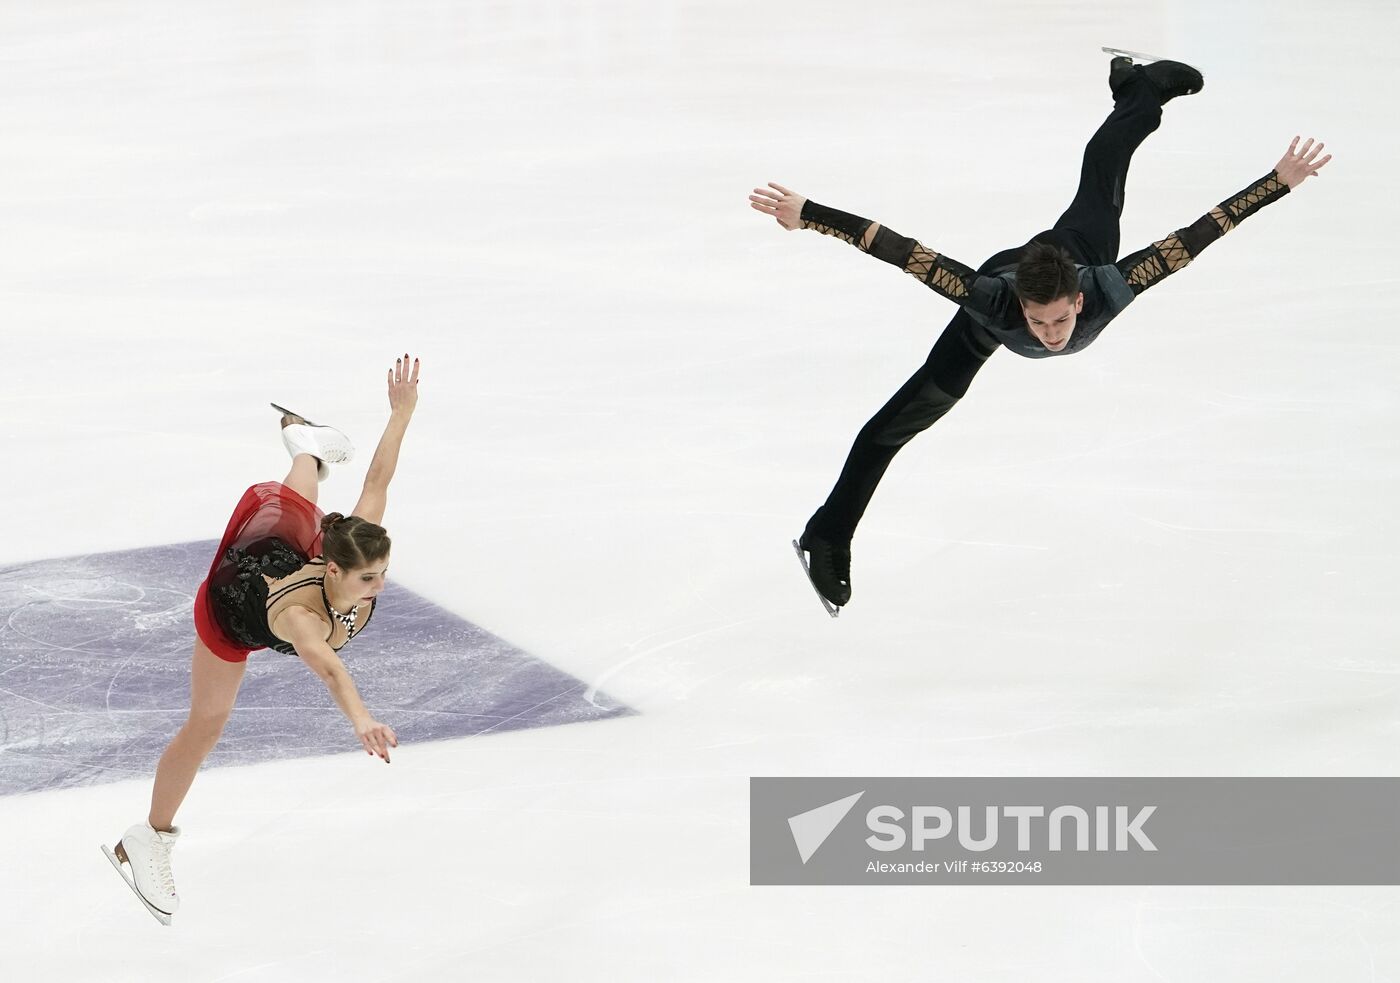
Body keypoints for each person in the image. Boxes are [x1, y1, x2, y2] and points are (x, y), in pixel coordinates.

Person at [749, 56, 1331, 613]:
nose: (1052, 335)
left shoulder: (1111, 282)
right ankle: (827, 534)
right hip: (1010, 272)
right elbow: (904, 252)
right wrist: (811, 214)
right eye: (1040, 322)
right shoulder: (994, 302)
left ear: (1080, 302)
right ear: (1023, 310)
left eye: (1060, 320)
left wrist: (1276, 182)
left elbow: (1199, 234)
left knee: (1104, 163)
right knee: (897, 423)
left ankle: (1139, 89)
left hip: (1078, 247)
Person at [104, 354, 421, 922]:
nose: (377, 587)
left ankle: (306, 445)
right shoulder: (306, 620)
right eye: (367, 579)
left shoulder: (345, 548)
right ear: (331, 572)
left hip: (277, 552)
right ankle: (148, 838)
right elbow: (330, 669)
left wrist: (401, 414)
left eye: (382, 574)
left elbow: (378, 481)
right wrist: (361, 720)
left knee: (297, 510)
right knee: (207, 724)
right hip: (232, 608)